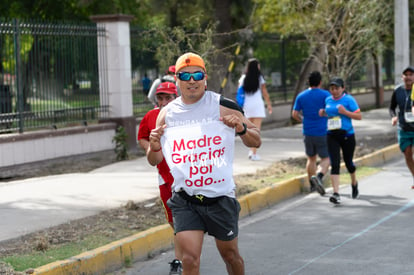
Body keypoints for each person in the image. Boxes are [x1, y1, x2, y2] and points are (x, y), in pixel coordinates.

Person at [148, 52, 261, 275]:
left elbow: (256, 139)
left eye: (197, 75)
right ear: (177, 80)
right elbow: (155, 160)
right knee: (189, 259)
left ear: (205, 78)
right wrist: (154, 146)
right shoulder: (167, 114)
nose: (192, 81)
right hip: (185, 199)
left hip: (220, 197)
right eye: (185, 76)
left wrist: (241, 128)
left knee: (230, 256)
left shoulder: (224, 106)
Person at [137, 82, 183, 274]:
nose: (164, 102)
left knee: (184, 222)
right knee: (174, 222)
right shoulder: (151, 116)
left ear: (175, 98)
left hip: (187, 175)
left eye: (168, 98)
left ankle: (180, 260)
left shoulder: (185, 114)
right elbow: (141, 136)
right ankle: (185, 254)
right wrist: (151, 149)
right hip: (165, 177)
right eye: (161, 98)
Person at [319, 77, 362, 204]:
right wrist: (323, 113)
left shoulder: (349, 99)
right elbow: (331, 114)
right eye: (332, 88)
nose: (334, 91)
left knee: (349, 163)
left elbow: (359, 116)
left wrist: (345, 112)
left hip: (347, 135)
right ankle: (336, 193)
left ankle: (354, 182)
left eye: (337, 88)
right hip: (332, 134)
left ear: (343, 88)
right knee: (335, 163)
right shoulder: (327, 99)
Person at [292, 71, 330, 196]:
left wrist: (303, 120)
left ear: (308, 82)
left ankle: (312, 185)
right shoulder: (326, 95)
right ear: (320, 82)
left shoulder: (301, 96)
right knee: (326, 158)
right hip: (322, 131)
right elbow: (331, 110)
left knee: (311, 158)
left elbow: (294, 114)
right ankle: (319, 176)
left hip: (307, 131)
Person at [238, 58, 272, 161]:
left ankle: (250, 151)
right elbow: (264, 92)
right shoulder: (259, 78)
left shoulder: (243, 78)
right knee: (256, 130)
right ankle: (253, 153)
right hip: (257, 105)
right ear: (256, 66)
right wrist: (269, 104)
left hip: (247, 106)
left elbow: (239, 91)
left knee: (249, 129)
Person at [390, 66, 414, 189]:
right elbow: (392, 108)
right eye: (406, 75)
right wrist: (393, 117)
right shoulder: (397, 90)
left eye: (411, 75)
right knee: (408, 154)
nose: (408, 77)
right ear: (402, 77)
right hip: (403, 128)